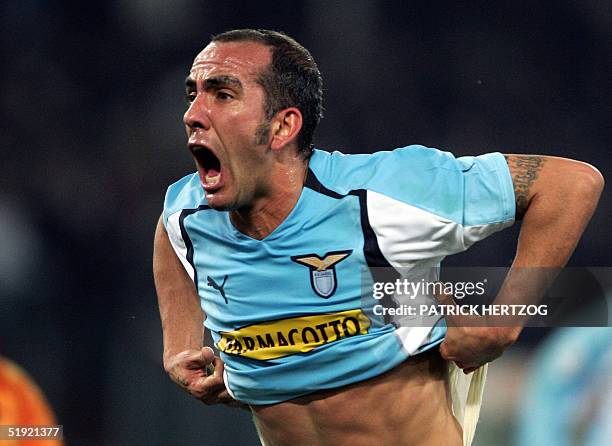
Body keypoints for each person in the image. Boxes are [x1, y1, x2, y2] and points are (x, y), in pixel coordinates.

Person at [153, 29, 604, 445]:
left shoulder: (380, 195)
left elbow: (569, 184)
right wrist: (179, 347)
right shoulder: (191, 213)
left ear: (282, 127)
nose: (193, 115)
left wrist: (504, 320)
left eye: (223, 94)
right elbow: (170, 233)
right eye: (193, 95)